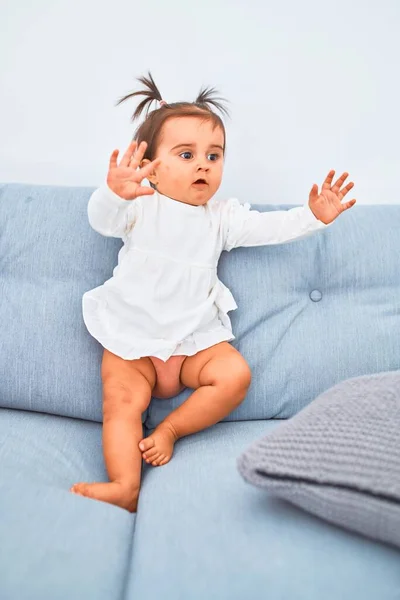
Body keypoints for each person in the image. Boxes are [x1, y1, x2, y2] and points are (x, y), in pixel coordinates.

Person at [70, 72, 356, 512]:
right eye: (186, 154)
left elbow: (269, 228)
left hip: (193, 342)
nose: (204, 164)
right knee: (120, 403)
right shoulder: (139, 208)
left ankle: (170, 430)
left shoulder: (221, 217)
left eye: (214, 155)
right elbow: (102, 222)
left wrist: (313, 216)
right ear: (152, 166)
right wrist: (113, 193)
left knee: (235, 376)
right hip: (132, 342)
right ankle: (124, 485)